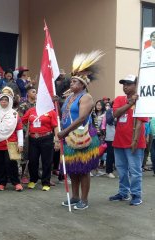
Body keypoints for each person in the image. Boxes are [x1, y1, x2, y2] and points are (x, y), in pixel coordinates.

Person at [58, 50, 103, 210]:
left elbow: (82, 118)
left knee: (83, 169)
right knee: (73, 169)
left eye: (75, 82)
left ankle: (84, 199)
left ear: (83, 85)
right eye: (71, 82)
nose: (72, 84)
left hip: (83, 137)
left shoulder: (87, 97)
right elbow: (65, 114)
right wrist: (57, 102)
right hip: (69, 137)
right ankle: (75, 197)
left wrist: (64, 132)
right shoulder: (70, 97)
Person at [109, 74, 148, 206]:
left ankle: (136, 194)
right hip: (119, 141)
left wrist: (135, 140)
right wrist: (130, 102)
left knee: (135, 171)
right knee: (121, 170)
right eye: (124, 84)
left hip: (134, 143)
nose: (125, 87)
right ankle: (123, 192)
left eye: (128, 84)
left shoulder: (142, 101)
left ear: (136, 85)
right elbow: (116, 113)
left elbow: (140, 122)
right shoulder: (120, 99)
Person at [0, 87, 24, 191]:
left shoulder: (14, 114)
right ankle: (2, 182)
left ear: (10, 102)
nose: (4, 102)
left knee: (11, 164)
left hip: (11, 143)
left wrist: (21, 144)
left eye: (6, 100)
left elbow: (19, 129)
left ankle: (16, 182)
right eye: (2, 100)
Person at [22, 100, 59, 191]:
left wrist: (57, 141)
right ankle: (33, 180)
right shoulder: (31, 110)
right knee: (33, 160)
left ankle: (46, 182)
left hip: (47, 138)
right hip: (33, 139)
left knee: (47, 161)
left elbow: (55, 126)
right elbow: (23, 120)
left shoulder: (51, 111)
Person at [18, 85, 37, 184]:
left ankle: (34, 174)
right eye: (33, 92)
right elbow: (21, 119)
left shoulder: (39, 104)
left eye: (35, 92)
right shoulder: (23, 104)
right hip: (26, 132)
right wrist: (27, 130)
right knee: (25, 154)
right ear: (28, 93)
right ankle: (24, 175)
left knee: (35, 154)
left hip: (37, 132)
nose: (35, 93)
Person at [101, 101, 116, 178]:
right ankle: (109, 171)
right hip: (111, 136)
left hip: (120, 136)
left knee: (118, 154)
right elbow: (108, 121)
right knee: (110, 154)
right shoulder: (109, 112)